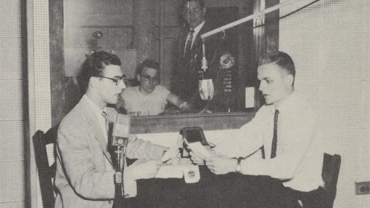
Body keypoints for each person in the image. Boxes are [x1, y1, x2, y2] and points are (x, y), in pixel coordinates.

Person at [192, 51, 325, 207]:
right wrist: (212, 156)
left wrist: (236, 165)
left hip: (303, 198)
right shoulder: (268, 111)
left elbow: (287, 168)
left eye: (268, 81)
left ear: (289, 80)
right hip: (276, 190)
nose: (261, 87)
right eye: (260, 81)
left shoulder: (304, 114)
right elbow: (243, 141)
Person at [54, 51, 171, 208]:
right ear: (94, 82)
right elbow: (85, 183)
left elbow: (130, 144)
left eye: (121, 80)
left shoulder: (111, 114)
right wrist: (134, 173)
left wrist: (166, 153)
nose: (122, 86)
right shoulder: (72, 126)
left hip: (113, 200)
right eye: (115, 81)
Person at [172, 0, 235, 113]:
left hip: (207, 104)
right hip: (185, 103)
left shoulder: (215, 33)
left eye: (196, 10)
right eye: (187, 11)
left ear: (204, 11)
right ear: (183, 14)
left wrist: (225, 57)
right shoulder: (182, 36)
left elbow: (223, 52)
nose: (192, 15)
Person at [118, 59, 188, 115]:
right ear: (139, 77)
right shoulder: (128, 93)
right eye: (147, 77)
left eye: (154, 78)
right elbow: (115, 108)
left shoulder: (160, 91)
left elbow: (181, 103)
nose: (151, 82)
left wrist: (182, 108)